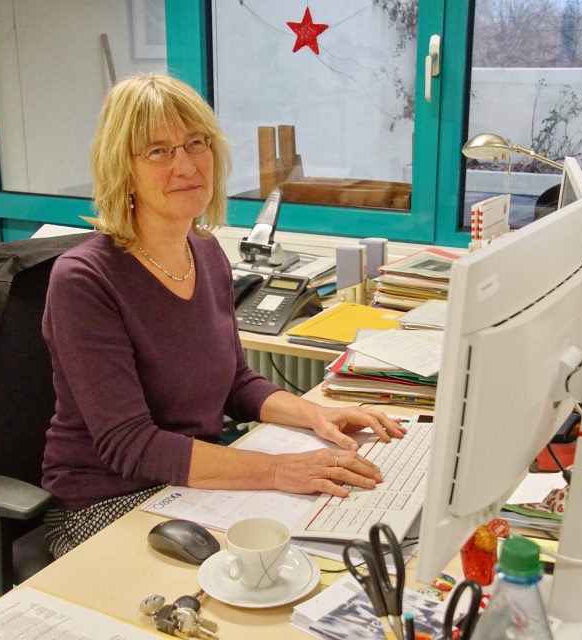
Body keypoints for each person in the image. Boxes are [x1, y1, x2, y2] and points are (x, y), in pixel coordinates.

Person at [41, 73, 405, 558]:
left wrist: (318, 415)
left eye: (196, 143)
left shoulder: (207, 252)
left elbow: (235, 381)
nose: (186, 165)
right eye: (158, 151)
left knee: (332, 540)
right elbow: (130, 443)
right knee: (261, 573)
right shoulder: (84, 280)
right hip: (106, 500)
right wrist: (277, 470)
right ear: (122, 169)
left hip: (193, 485)